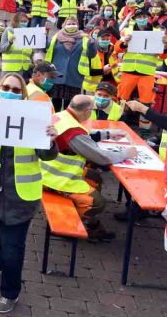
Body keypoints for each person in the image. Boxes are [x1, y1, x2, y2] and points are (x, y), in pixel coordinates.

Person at [0, 73, 58, 313]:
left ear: (23, 94)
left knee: (13, 248)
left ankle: (10, 292)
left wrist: (50, 140)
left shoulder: (34, 117)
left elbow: (47, 156)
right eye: (6, 87)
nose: (11, 92)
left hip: (20, 196)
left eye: (16, 90)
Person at [41, 95, 137, 241]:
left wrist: (108, 134)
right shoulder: (73, 131)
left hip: (48, 173)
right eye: (91, 110)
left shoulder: (62, 116)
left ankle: (91, 224)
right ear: (86, 111)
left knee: (94, 178)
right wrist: (127, 153)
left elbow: (83, 136)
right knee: (98, 203)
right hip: (56, 181)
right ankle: (69, 226)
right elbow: (101, 158)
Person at [115, 8, 167, 128]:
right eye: (139, 17)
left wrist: (165, 45)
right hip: (129, 70)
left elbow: (164, 55)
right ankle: (120, 124)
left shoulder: (157, 32)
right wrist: (124, 43)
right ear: (134, 19)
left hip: (146, 72)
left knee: (146, 102)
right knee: (122, 99)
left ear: (149, 17)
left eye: (144, 16)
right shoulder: (127, 31)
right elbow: (117, 48)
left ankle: (144, 130)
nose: (142, 19)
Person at [45, 15, 96, 111]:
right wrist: (46, 34)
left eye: (74, 24)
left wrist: (92, 43)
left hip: (74, 77)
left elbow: (92, 55)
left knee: (70, 108)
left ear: (78, 25)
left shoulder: (84, 39)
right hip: (57, 76)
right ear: (63, 25)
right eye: (69, 24)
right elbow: (46, 48)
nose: (71, 25)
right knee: (55, 105)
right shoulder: (56, 37)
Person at [0, 12, 32, 79]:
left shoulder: (29, 33)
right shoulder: (8, 31)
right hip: (10, 69)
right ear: (16, 22)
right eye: (22, 21)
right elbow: (2, 49)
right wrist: (10, 42)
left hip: (24, 69)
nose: (24, 23)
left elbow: (31, 51)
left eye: (25, 21)